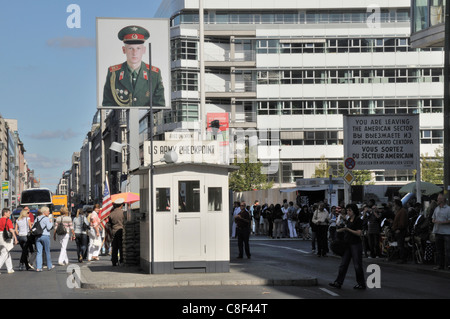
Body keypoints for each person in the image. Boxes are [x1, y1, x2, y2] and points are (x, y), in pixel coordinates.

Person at [102, 25, 165, 107]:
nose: (134, 53)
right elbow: (107, 105)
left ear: (144, 50)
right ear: (124, 50)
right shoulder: (113, 73)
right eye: (130, 48)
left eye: (138, 48)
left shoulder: (154, 74)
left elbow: (159, 107)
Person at [329, 203, 366, 290]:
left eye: (350, 210)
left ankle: (361, 283)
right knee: (343, 264)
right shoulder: (349, 220)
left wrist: (346, 229)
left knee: (357, 265)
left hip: (356, 244)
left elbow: (359, 233)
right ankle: (338, 282)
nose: (348, 212)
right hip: (347, 244)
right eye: (347, 210)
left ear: (354, 211)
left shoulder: (358, 220)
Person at [432, 193, 450, 270]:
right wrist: (434, 221)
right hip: (438, 231)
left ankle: (448, 265)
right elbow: (433, 218)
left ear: (443, 200)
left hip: (446, 232)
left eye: (439, 199)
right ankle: (440, 265)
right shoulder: (436, 208)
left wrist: (441, 222)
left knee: (447, 250)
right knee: (439, 250)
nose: (437, 200)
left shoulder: (448, 209)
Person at [34, 206, 54, 272]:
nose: (49, 212)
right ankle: (49, 266)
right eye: (48, 211)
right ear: (45, 212)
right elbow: (49, 227)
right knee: (47, 251)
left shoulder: (36, 218)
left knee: (39, 252)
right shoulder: (46, 218)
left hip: (37, 236)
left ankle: (38, 267)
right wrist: (51, 222)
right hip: (45, 236)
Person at [0, 208, 18, 274]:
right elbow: (11, 230)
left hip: (0, 237)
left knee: (6, 253)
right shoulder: (8, 220)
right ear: (5, 213)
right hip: (5, 238)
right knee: (4, 253)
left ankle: (10, 268)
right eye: (8, 212)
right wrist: (15, 238)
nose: (10, 214)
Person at [109, 198, 125, 266]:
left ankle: (114, 261)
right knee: (121, 246)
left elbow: (109, 224)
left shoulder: (111, 214)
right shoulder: (123, 213)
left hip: (114, 231)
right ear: (121, 205)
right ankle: (121, 260)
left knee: (114, 247)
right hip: (121, 231)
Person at [392, 199, 409, 264]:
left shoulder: (402, 211)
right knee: (400, 245)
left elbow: (402, 222)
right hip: (399, 229)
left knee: (400, 245)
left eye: (395, 205)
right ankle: (402, 258)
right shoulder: (400, 211)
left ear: (397, 205)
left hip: (400, 230)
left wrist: (398, 228)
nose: (394, 206)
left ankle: (402, 258)